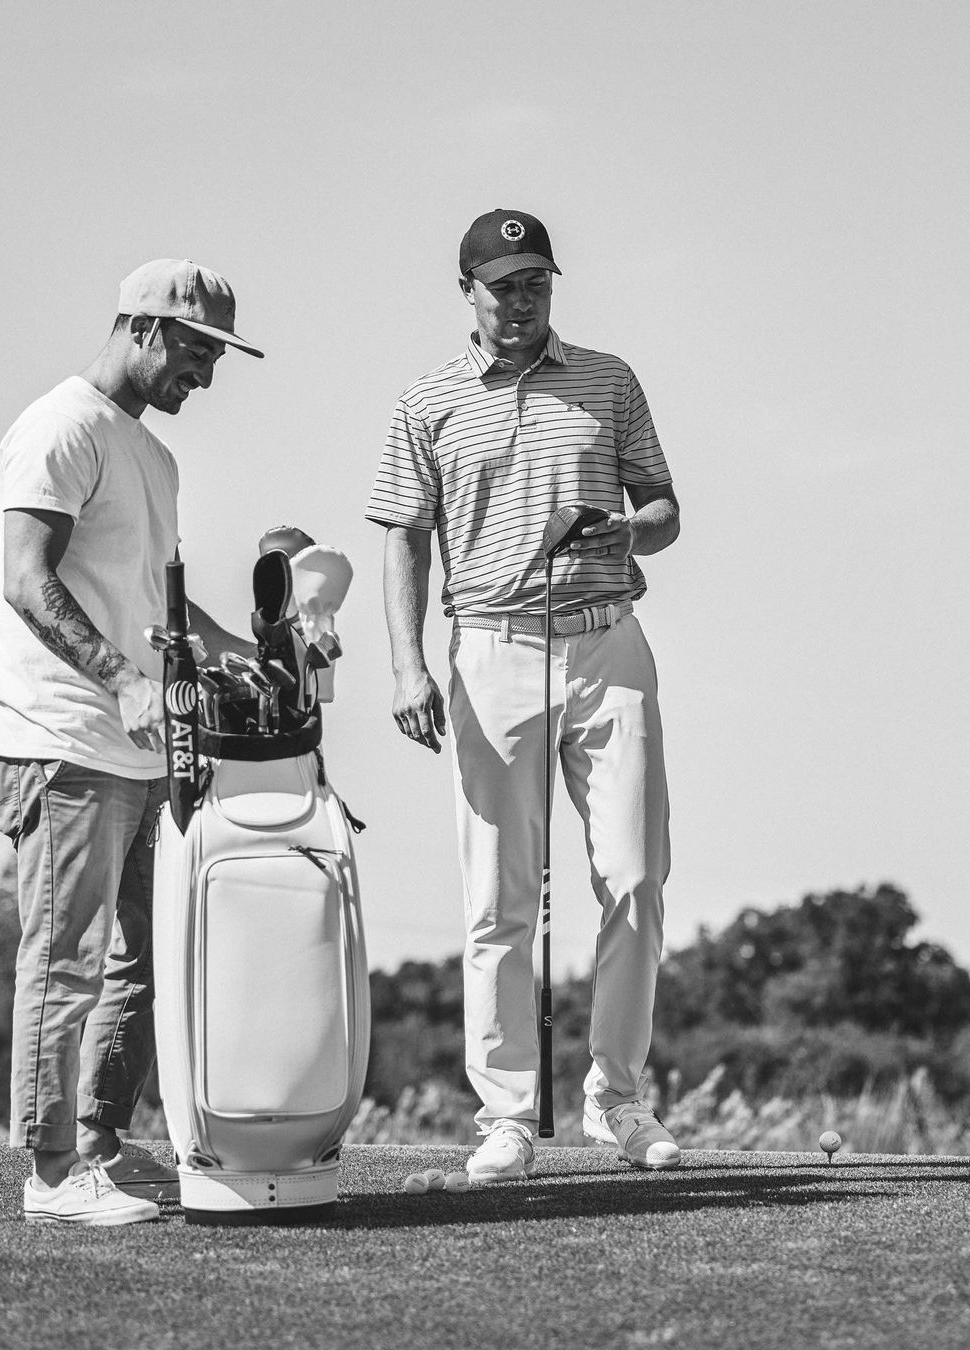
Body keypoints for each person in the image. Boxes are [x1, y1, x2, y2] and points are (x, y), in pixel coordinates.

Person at [367, 210, 682, 1182]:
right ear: (467, 291)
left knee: (635, 878)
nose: (522, 300)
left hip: (606, 644)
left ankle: (616, 1099)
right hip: (492, 651)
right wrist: (408, 666)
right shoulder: (426, 402)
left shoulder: (609, 380)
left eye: (537, 282)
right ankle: (505, 1116)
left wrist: (627, 531)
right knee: (498, 899)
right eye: (504, 285)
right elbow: (403, 537)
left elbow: (665, 508)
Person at [0, 258, 264, 1224]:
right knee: (65, 958)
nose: (207, 375)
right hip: (62, 737)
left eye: (217, 358)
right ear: (142, 327)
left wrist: (255, 655)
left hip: (142, 750)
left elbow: (158, 610)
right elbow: (27, 577)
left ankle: (99, 1145)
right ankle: (52, 1175)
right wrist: (124, 681)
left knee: (147, 958)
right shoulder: (59, 428)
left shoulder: (154, 457)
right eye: (197, 351)